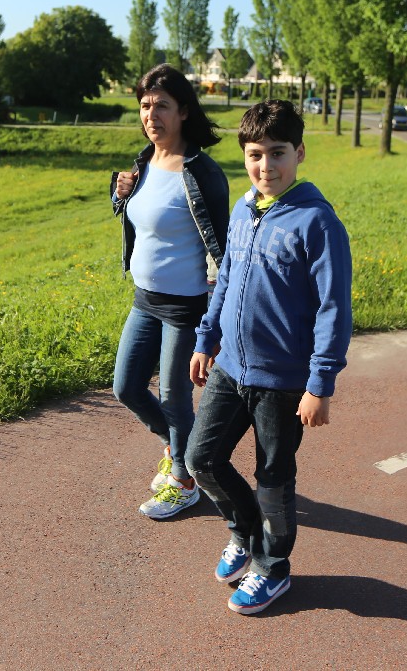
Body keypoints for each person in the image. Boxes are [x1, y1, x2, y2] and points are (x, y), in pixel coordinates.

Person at [188, 99, 353, 614]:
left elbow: (333, 308)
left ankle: (273, 566)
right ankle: (244, 533)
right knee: (200, 459)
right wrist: (206, 338)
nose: (266, 166)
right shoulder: (243, 209)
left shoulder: (318, 223)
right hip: (230, 367)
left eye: (277, 153)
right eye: (255, 155)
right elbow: (226, 278)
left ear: (299, 153)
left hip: (283, 381)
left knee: (273, 479)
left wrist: (319, 385)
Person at [110, 64, 229, 520]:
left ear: (183, 112)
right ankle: (181, 450)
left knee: (175, 397)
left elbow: (224, 252)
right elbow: (143, 219)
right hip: (144, 301)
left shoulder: (202, 174)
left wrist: (214, 323)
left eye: (162, 105)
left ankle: (185, 479)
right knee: (126, 388)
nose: (151, 115)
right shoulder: (143, 163)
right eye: (144, 105)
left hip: (185, 307)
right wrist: (120, 193)